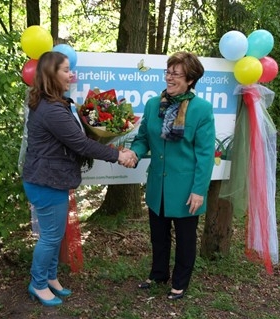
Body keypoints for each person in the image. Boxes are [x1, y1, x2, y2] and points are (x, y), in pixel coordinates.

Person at [21, 51, 136, 307]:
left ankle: (50, 278)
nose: (70, 74)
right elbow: (81, 144)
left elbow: (77, 138)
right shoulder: (52, 109)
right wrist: (118, 155)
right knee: (51, 236)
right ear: (51, 74)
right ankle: (38, 283)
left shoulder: (56, 103)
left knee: (55, 233)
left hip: (52, 179)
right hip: (45, 180)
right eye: (64, 70)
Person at [129, 51, 215, 300]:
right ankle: (158, 274)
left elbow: (205, 153)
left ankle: (180, 281)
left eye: (176, 74)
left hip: (187, 187)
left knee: (186, 239)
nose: (169, 77)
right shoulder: (153, 104)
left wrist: (199, 189)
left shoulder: (201, 109)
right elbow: (143, 137)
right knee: (158, 235)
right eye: (168, 72)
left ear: (190, 79)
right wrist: (134, 153)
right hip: (158, 184)